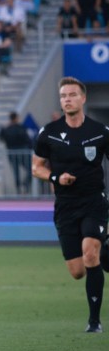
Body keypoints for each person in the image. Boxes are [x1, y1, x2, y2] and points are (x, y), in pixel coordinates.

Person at [32, 77, 109, 333]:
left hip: (94, 202)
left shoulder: (100, 131)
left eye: (72, 94)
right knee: (78, 271)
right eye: (63, 95)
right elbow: (37, 168)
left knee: (90, 254)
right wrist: (56, 178)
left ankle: (94, 322)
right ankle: (105, 249)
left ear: (83, 98)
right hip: (65, 206)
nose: (67, 99)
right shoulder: (49, 132)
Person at [0, 112, 32, 194]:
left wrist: (3, 128)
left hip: (11, 152)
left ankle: (18, 189)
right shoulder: (21, 128)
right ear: (16, 118)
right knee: (31, 169)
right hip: (23, 151)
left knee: (16, 172)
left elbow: (0, 138)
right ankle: (25, 184)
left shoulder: (7, 129)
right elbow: (28, 140)